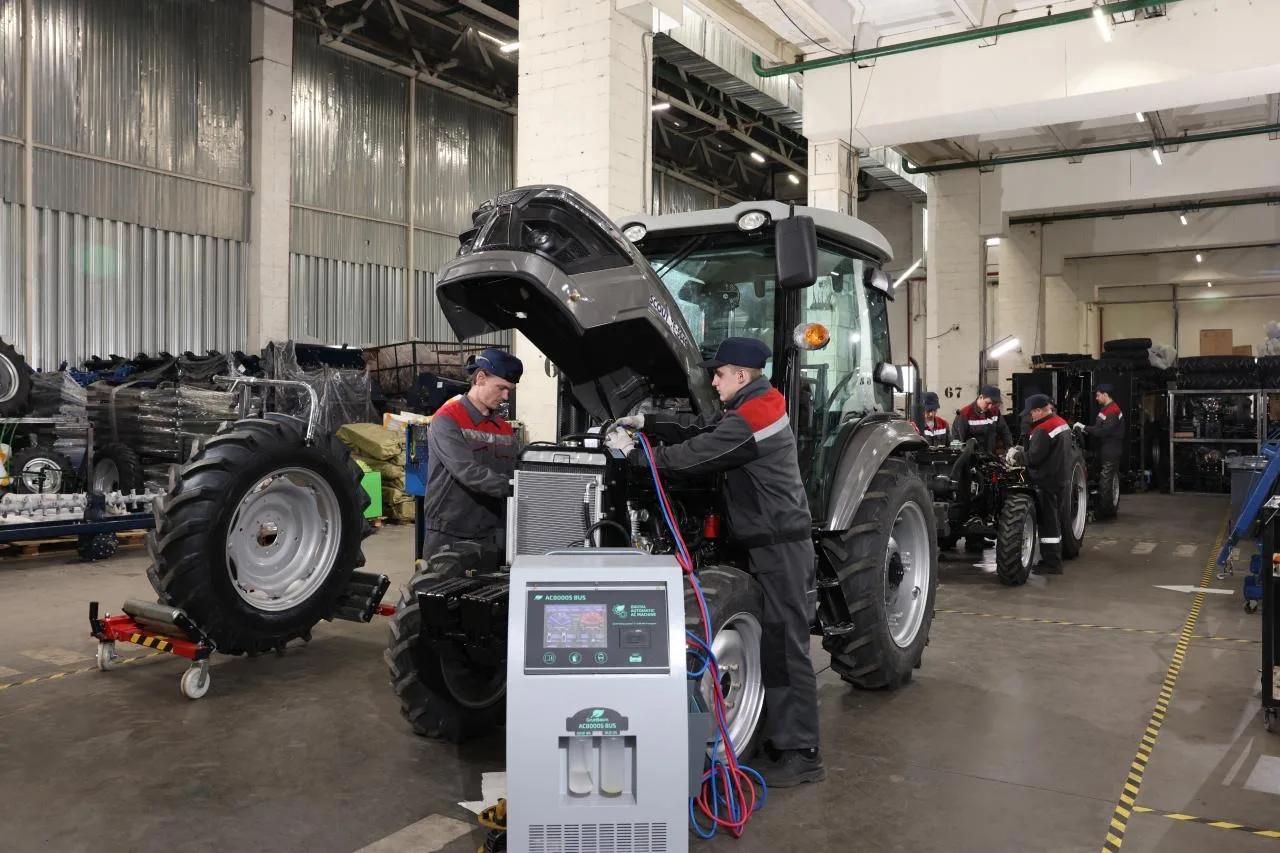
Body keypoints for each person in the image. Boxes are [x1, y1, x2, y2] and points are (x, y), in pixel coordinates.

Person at [608, 336, 824, 788]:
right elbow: (704, 428)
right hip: (769, 544)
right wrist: (648, 421)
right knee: (775, 644)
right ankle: (783, 736)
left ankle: (802, 753)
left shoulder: (755, 415)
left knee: (786, 647)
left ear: (742, 375)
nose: (713, 381)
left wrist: (640, 456)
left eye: (719, 374)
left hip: (780, 547)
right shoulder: (753, 406)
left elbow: (698, 453)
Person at [421, 349, 523, 560]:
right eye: (501, 388)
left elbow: (515, 469)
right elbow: (467, 471)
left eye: (510, 391)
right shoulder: (447, 419)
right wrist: (515, 487)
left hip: (489, 532)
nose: (506, 397)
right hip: (448, 532)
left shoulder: (504, 429)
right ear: (480, 378)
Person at [1022, 393, 1072, 574]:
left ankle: (1052, 563)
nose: (1030, 417)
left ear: (1038, 410)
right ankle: (1054, 557)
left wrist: (1018, 455)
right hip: (1061, 478)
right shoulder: (1061, 422)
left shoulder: (1043, 429)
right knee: (1056, 519)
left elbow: (1034, 458)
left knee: (1048, 522)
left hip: (1046, 481)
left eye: (1031, 413)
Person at [1074, 382, 1125, 519]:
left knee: (1106, 481)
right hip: (1103, 448)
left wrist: (1085, 427)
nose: (1096, 398)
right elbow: (1097, 428)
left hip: (1111, 449)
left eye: (1098, 395)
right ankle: (1102, 506)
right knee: (1101, 477)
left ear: (1105, 395)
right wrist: (1085, 429)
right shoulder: (1105, 409)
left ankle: (1105, 512)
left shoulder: (1113, 411)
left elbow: (1103, 431)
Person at [954, 385, 1014, 455]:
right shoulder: (965, 414)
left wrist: (1010, 449)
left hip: (990, 455)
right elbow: (958, 439)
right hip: (971, 457)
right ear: (980, 397)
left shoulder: (995, 412)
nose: (990, 407)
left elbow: (1005, 432)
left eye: (993, 404)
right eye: (988, 403)